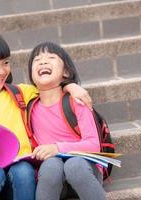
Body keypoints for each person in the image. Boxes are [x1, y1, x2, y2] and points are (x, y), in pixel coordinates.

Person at [0, 32, 92, 200]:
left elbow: (50, 86)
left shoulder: (20, 93)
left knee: (23, 170)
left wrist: (71, 86)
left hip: (19, 177)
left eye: (6, 63)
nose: (1, 71)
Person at [28, 42, 106, 200]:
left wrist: (57, 148)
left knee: (74, 165)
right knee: (51, 165)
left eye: (51, 57)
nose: (43, 61)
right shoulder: (29, 105)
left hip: (84, 171)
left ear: (66, 72)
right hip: (54, 179)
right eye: (37, 60)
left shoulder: (76, 101)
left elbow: (93, 144)